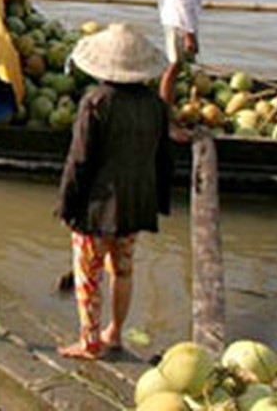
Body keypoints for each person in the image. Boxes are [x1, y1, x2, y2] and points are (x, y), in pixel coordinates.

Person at [56, 23, 173, 360]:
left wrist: (67, 205)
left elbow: (78, 160)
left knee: (88, 272)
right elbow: (163, 158)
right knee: (122, 269)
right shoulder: (154, 104)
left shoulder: (96, 102)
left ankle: (91, 342)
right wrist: (159, 201)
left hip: (98, 206)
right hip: (136, 203)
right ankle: (116, 333)